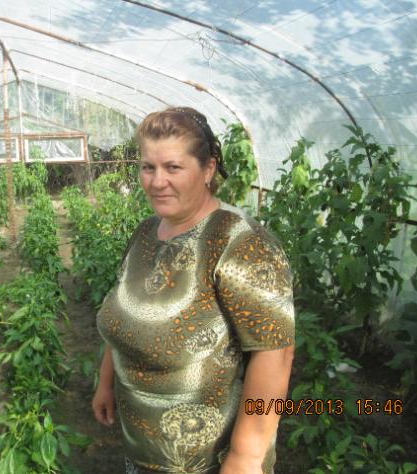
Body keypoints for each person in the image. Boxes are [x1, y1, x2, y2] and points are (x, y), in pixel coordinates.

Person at [93, 107, 295, 474]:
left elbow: (275, 354)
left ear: (208, 169)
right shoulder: (145, 234)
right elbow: (125, 311)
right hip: (141, 453)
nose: (157, 181)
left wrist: (246, 457)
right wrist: (105, 383)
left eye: (173, 167)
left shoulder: (240, 244)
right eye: (148, 167)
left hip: (208, 461)